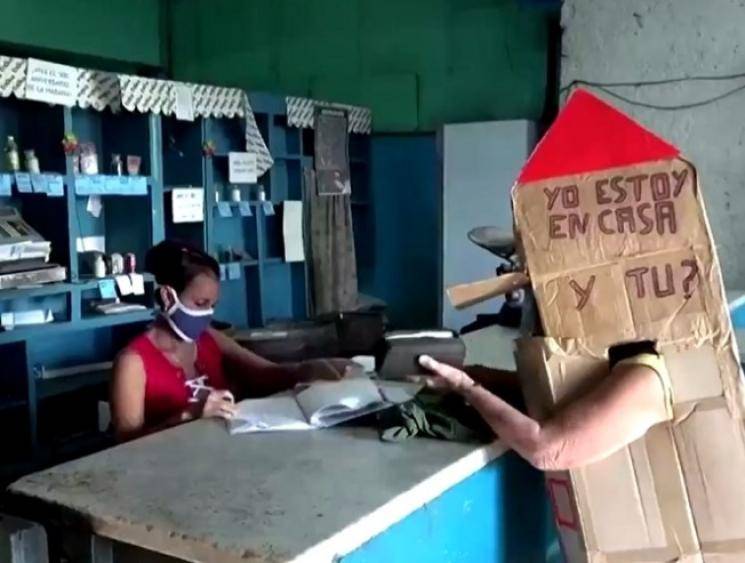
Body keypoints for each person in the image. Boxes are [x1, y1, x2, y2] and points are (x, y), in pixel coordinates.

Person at [111, 240, 352, 442]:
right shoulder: (133, 362)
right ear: (167, 296)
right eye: (200, 304)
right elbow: (124, 445)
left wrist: (309, 369)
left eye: (213, 306)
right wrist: (188, 415)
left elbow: (267, 374)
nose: (208, 315)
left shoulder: (208, 338)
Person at [418, 341, 672, 471]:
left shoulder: (645, 373)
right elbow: (557, 396)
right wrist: (475, 377)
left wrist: (466, 386)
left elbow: (547, 450)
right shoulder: (612, 347)